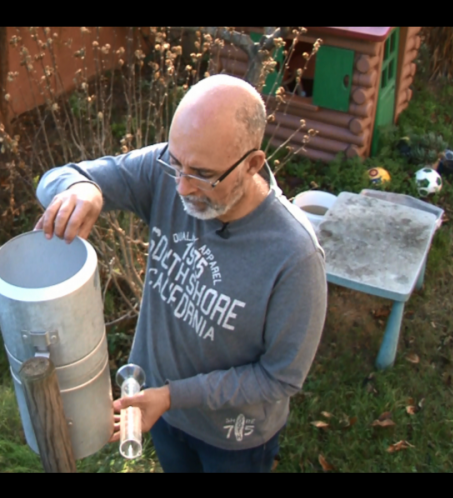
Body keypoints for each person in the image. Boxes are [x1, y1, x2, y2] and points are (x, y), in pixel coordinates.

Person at [34, 74, 327, 473]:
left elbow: (280, 378)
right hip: (161, 411)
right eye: (176, 164)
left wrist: (174, 395)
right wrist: (83, 190)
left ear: (253, 164)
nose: (183, 188)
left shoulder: (294, 256)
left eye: (204, 175)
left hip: (233, 437)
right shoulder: (166, 173)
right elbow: (57, 177)